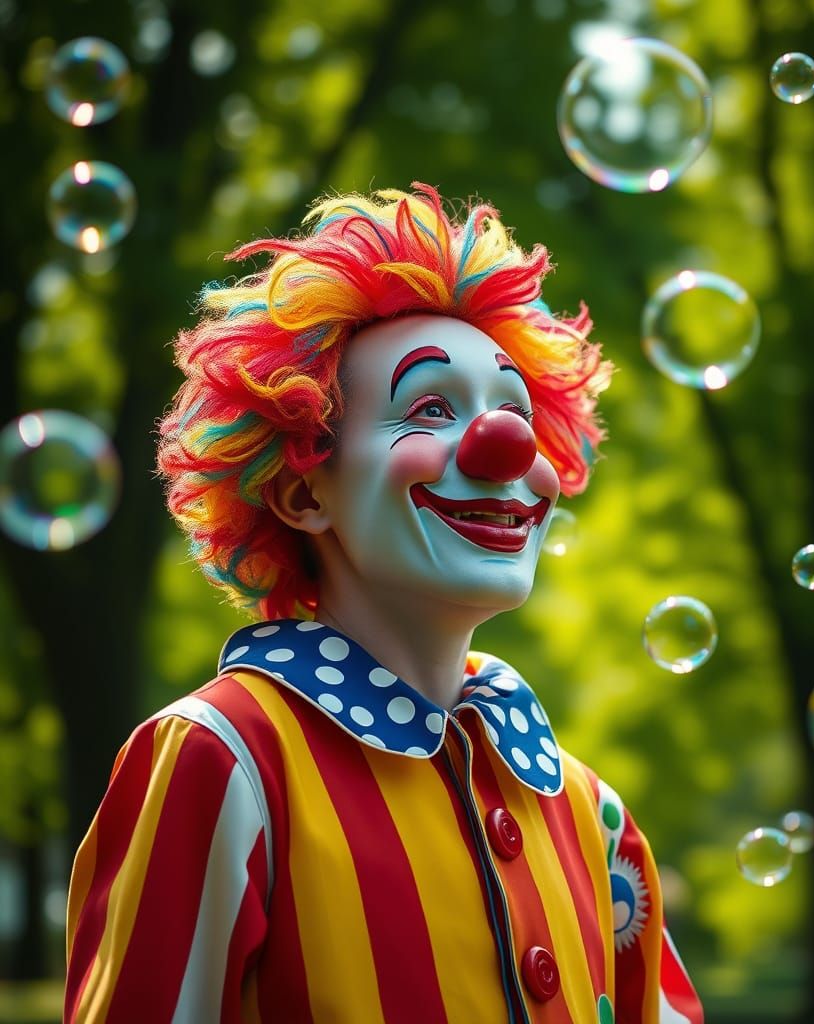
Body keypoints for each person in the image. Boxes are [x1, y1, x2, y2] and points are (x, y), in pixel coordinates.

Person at [62, 184, 702, 1023]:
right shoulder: (221, 761)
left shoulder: (591, 812)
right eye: (431, 408)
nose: (504, 446)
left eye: (515, 410)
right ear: (301, 492)